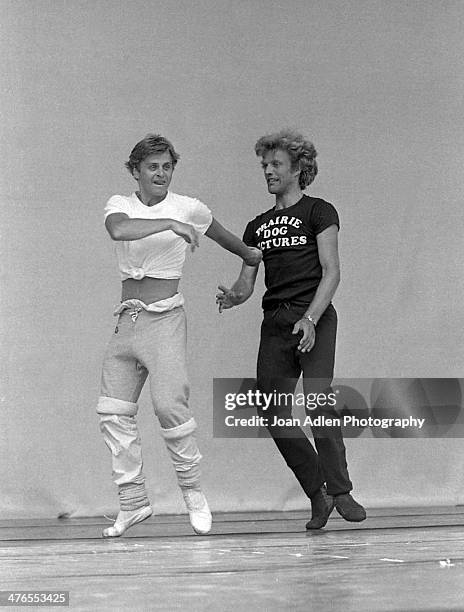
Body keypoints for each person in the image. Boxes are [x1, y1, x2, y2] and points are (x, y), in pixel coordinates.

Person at [97, 133, 261, 538]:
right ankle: (133, 502)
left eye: (167, 166)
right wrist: (170, 224)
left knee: (170, 407)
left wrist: (243, 286)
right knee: (112, 412)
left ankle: (193, 494)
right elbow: (118, 230)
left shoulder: (191, 208)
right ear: (135, 171)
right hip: (126, 323)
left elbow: (247, 252)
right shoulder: (122, 205)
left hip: (164, 320)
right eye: (152, 167)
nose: (161, 173)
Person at [216, 129, 366, 529]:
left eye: (275, 164)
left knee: (318, 400)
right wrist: (235, 295)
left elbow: (332, 272)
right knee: (272, 407)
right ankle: (317, 490)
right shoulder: (257, 226)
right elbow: (248, 282)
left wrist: (311, 320)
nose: (268, 171)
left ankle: (341, 490)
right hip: (277, 322)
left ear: (298, 169)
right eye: (264, 165)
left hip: (313, 314)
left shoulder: (319, 211)